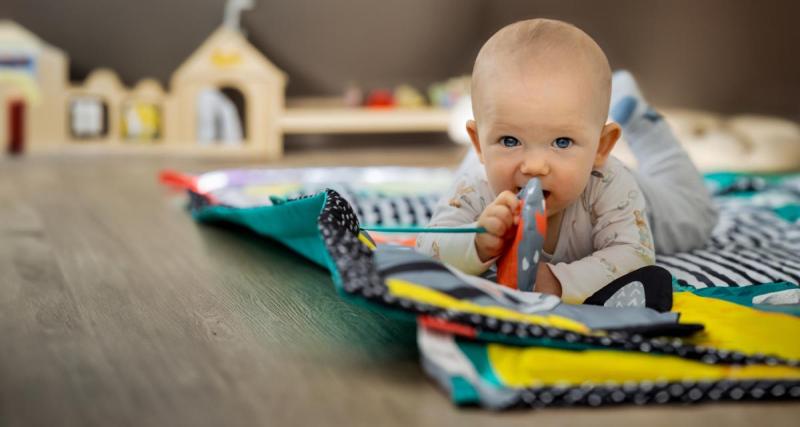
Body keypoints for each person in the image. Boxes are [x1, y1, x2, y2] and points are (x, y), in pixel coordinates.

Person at [416, 19, 717, 304]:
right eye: (509, 140)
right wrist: (475, 243)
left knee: (696, 218)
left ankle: (643, 121)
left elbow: (634, 253)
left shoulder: (610, 184)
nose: (534, 166)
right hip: (492, 166)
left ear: (602, 146)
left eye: (562, 142)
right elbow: (428, 250)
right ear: (479, 143)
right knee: (483, 170)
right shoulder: (476, 186)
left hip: (629, 198)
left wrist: (558, 282)